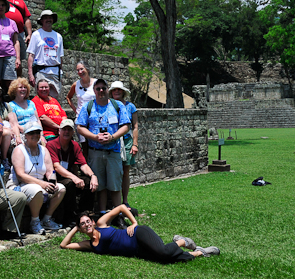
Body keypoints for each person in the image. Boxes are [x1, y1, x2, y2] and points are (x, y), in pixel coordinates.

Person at [60, 205, 220, 263]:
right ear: (80, 228)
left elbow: (121, 207)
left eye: (88, 221)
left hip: (137, 234)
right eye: (83, 224)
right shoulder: (90, 245)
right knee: (165, 259)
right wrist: (75, 227)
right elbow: (64, 245)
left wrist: (134, 223)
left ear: (93, 222)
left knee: (162, 251)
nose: (87, 224)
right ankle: (200, 252)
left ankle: (182, 241)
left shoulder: (101, 223)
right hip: (136, 251)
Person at [76, 79, 130, 221]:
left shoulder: (117, 105)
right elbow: (80, 127)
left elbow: (126, 126)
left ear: (108, 90)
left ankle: (118, 215)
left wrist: (112, 137)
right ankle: (102, 214)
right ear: (94, 91)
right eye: (98, 88)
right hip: (95, 151)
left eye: (103, 88)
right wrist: (94, 137)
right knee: (100, 186)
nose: (101, 91)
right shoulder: (88, 107)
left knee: (115, 185)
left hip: (113, 151)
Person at [8, 122, 66, 235]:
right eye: (31, 133)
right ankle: (34, 222)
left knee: (61, 188)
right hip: (20, 185)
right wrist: (42, 184)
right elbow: (20, 175)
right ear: (25, 135)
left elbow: (50, 171)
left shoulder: (44, 150)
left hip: (39, 184)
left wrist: (52, 182)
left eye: (37, 132)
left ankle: (46, 219)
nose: (35, 135)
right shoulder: (19, 150)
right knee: (37, 190)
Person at [46, 119, 98, 227]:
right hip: (54, 177)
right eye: (64, 129)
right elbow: (56, 166)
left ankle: (85, 214)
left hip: (69, 176)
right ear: (59, 131)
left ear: (73, 132)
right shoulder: (51, 144)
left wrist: (93, 176)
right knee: (70, 183)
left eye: (69, 130)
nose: (66, 132)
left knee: (88, 182)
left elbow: (83, 164)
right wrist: (75, 177)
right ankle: (69, 218)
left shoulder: (74, 145)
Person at [109, 81, 139, 210]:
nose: (117, 92)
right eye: (114, 90)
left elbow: (135, 126)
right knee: (114, 171)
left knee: (125, 171)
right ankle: (114, 202)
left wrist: (135, 144)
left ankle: (125, 200)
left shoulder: (130, 106)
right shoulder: (109, 105)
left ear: (123, 92)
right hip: (113, 140)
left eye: (119, 90)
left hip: (126, 140)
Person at [0, 0, 32, 77]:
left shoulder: (20, 2)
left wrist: (29, 34)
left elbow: (26, 19)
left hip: (18, 34)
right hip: (0, 34)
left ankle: (18, 83)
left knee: (18, 60)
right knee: (1, 59)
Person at [27, 10, 64, 99]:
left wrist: (61, 72)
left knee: (55, 100)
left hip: (55, 72)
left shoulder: (58, 36)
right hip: (41, 72)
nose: (48, 20)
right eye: (46, 18)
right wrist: (30, 74)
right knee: (41, 98)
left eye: (50, 18)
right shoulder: (36, 35)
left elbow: (61, 57)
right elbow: (31, 55)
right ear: (42, 21)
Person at [0, 0, 20, 94]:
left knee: (11, 81)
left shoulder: (12, 22)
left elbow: (16, 41)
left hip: (10, 54)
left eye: (3, 5)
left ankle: (12, 101)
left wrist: (18, 58)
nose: (1, 7)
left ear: (6, 7)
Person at [66, 60, 97, 157]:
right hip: (81, 119)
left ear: (87, 69)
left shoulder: (96, 83)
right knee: (85, 146)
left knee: (95, 143)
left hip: (95, 118)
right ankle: (87, 168)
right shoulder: (76, 84)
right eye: (77, 70)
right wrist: (76, 110)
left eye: (81, 69)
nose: (80, 72)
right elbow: (68, 97)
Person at [7, 77, 43, 144]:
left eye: (25, 87)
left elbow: (38, 120)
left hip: (35, 131)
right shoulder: (11, 105)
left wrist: (41, 134)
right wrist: (28, 131)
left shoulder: (31, 103)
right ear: (14, 90)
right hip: (22, 133)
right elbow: (14, 124)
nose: (23, 89)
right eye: (20, 87)